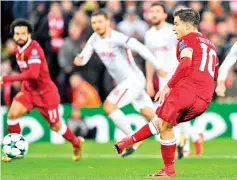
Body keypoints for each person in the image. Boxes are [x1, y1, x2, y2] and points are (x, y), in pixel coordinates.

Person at [114, 8, 219, 178]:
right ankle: (130, 143)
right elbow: (214, 74)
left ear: (187, 26)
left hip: (186, 91)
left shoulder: (186, 39)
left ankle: (140, 148)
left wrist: (167, 86)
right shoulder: (211, 45)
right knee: (165, 124)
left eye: (176, 24)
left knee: (163, 124)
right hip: (204, 99)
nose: (174, 28)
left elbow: (185, 64)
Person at [74, 10, 166, 157]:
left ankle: (132, 138)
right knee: (150, 114)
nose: (97, 25)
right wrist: (80, 59)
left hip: (132, 80)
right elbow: (85, 55)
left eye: (100, 22)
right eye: (94, 23)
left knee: (109, 106)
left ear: (107, 22)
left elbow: (140, 47)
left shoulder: (117, 37)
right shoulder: (94, 39)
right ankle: (178, 139)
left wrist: (158, 66)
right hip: (128, 82)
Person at [0, 19, 83, 162]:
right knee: (13, 114)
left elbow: (33, 74)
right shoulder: (18, 49)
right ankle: (15, 151)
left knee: (56, 125)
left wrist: (7, 78)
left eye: (23, 33)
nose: (19, 36)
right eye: (17, 33)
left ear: (29, 35)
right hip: (28, 91)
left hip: (46, 94)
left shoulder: (34, 50)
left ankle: (76, 142)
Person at [145, 2, 204, 159]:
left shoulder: (173, 30)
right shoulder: (148, 34)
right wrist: (149, 81)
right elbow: (149, 59)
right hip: (161, 79)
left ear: (165, 15)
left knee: (175, 111)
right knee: (172, 113)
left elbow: (185, 50)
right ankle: (193, 137)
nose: (154, 14)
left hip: (177, 75)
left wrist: (174, 70)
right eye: (152, 12)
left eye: (158, 11)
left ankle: (183, 146)